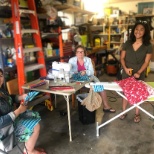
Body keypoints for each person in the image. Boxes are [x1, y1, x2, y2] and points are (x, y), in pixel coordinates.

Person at [0, 69, 46, 154]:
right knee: (35, 126)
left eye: (1, 76)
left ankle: (28, 148)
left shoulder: (1, 90)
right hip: (6, 130)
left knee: (33, 116)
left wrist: (21, 97)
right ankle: (30, 151)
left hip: (13, 119)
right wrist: (18, 111)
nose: (0, 79)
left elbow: (10, 98)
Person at [120, 21, 152, 122]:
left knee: (138, 93)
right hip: (127, 72)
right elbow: (122, 58)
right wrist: (125, 68)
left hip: (139, 72)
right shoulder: (127, 43)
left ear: (145, 32)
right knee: (125, 93)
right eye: (136, 29)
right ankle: (123, 111)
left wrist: (139, 72)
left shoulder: (148, 46)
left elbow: (146, 62)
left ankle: (137, 113)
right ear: (133, 31)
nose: (138, 31)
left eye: (141, 29)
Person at [69, 45, 116, 113]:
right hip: (77, 79)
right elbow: (69, 72)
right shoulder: (71, 60)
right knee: (70, 87)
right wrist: (76, 73)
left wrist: (85, 72)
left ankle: (106, 107)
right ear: (76, 53)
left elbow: (92, 72)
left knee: (101, 88)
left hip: (89, 78)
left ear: (84, 53)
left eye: (82, 52)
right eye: (78, 52)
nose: (80, 53)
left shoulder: (88, 60)